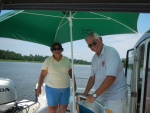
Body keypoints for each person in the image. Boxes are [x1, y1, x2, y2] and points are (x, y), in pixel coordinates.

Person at [83, 32, 127, 113]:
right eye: (90, 45)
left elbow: (111, 77)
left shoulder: (111, 52)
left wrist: (94, 95)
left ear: (100, 39)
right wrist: (85, 93)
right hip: (99, 96)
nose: (93, 46)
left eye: (94, 43)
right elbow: (92, 77)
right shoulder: (94, 58)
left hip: (114, 98)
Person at [36, 42, 75, 113]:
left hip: (65, 88)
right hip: (51, 89)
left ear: (61, 50)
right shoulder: (48, 60)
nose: (57, 50)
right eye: (54, 49)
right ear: (52, 50)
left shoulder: (67, 60)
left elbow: (71, 73)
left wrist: (74, 83)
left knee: (64, 107)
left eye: (59, 48)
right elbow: (42, 75)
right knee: (52, 108)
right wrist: (39, 87)